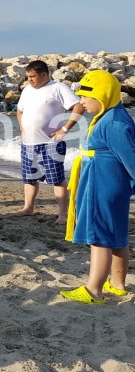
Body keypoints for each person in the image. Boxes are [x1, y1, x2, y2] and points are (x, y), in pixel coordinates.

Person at [59, 70, 135, 304]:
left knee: (99, 236)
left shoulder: (113, 123)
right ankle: (118, 284)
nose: (81, 102)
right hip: (111, 183)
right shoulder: (111, 115)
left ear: (103, 95)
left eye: (85, 97)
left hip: (102, 184)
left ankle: (94, 290)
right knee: (116, 234)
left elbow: (131, 159)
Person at [14, 60, 84, 224]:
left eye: (33, 76)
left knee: (56, 179)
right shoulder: (27, 90)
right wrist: (22, 129)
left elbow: (79, 107)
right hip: (28, 143)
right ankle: (28, 208)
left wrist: (64, 129)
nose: (29, 80)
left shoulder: (58, 87)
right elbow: (19, 111)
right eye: (28, 77)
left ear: (45, 74)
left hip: (50, 143)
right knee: (29, 178)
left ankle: (63, 214)